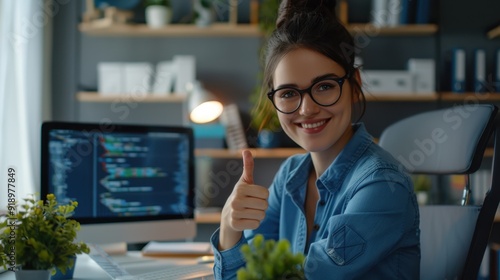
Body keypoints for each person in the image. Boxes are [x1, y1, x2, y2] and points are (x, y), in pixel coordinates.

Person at [210, 0, 420, 278]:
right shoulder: (290, 176)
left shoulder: (382, 184)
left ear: (354, 85)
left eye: (324, 86)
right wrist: (229, 227)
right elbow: (250, 272)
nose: (307, 109)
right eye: (288, 93)